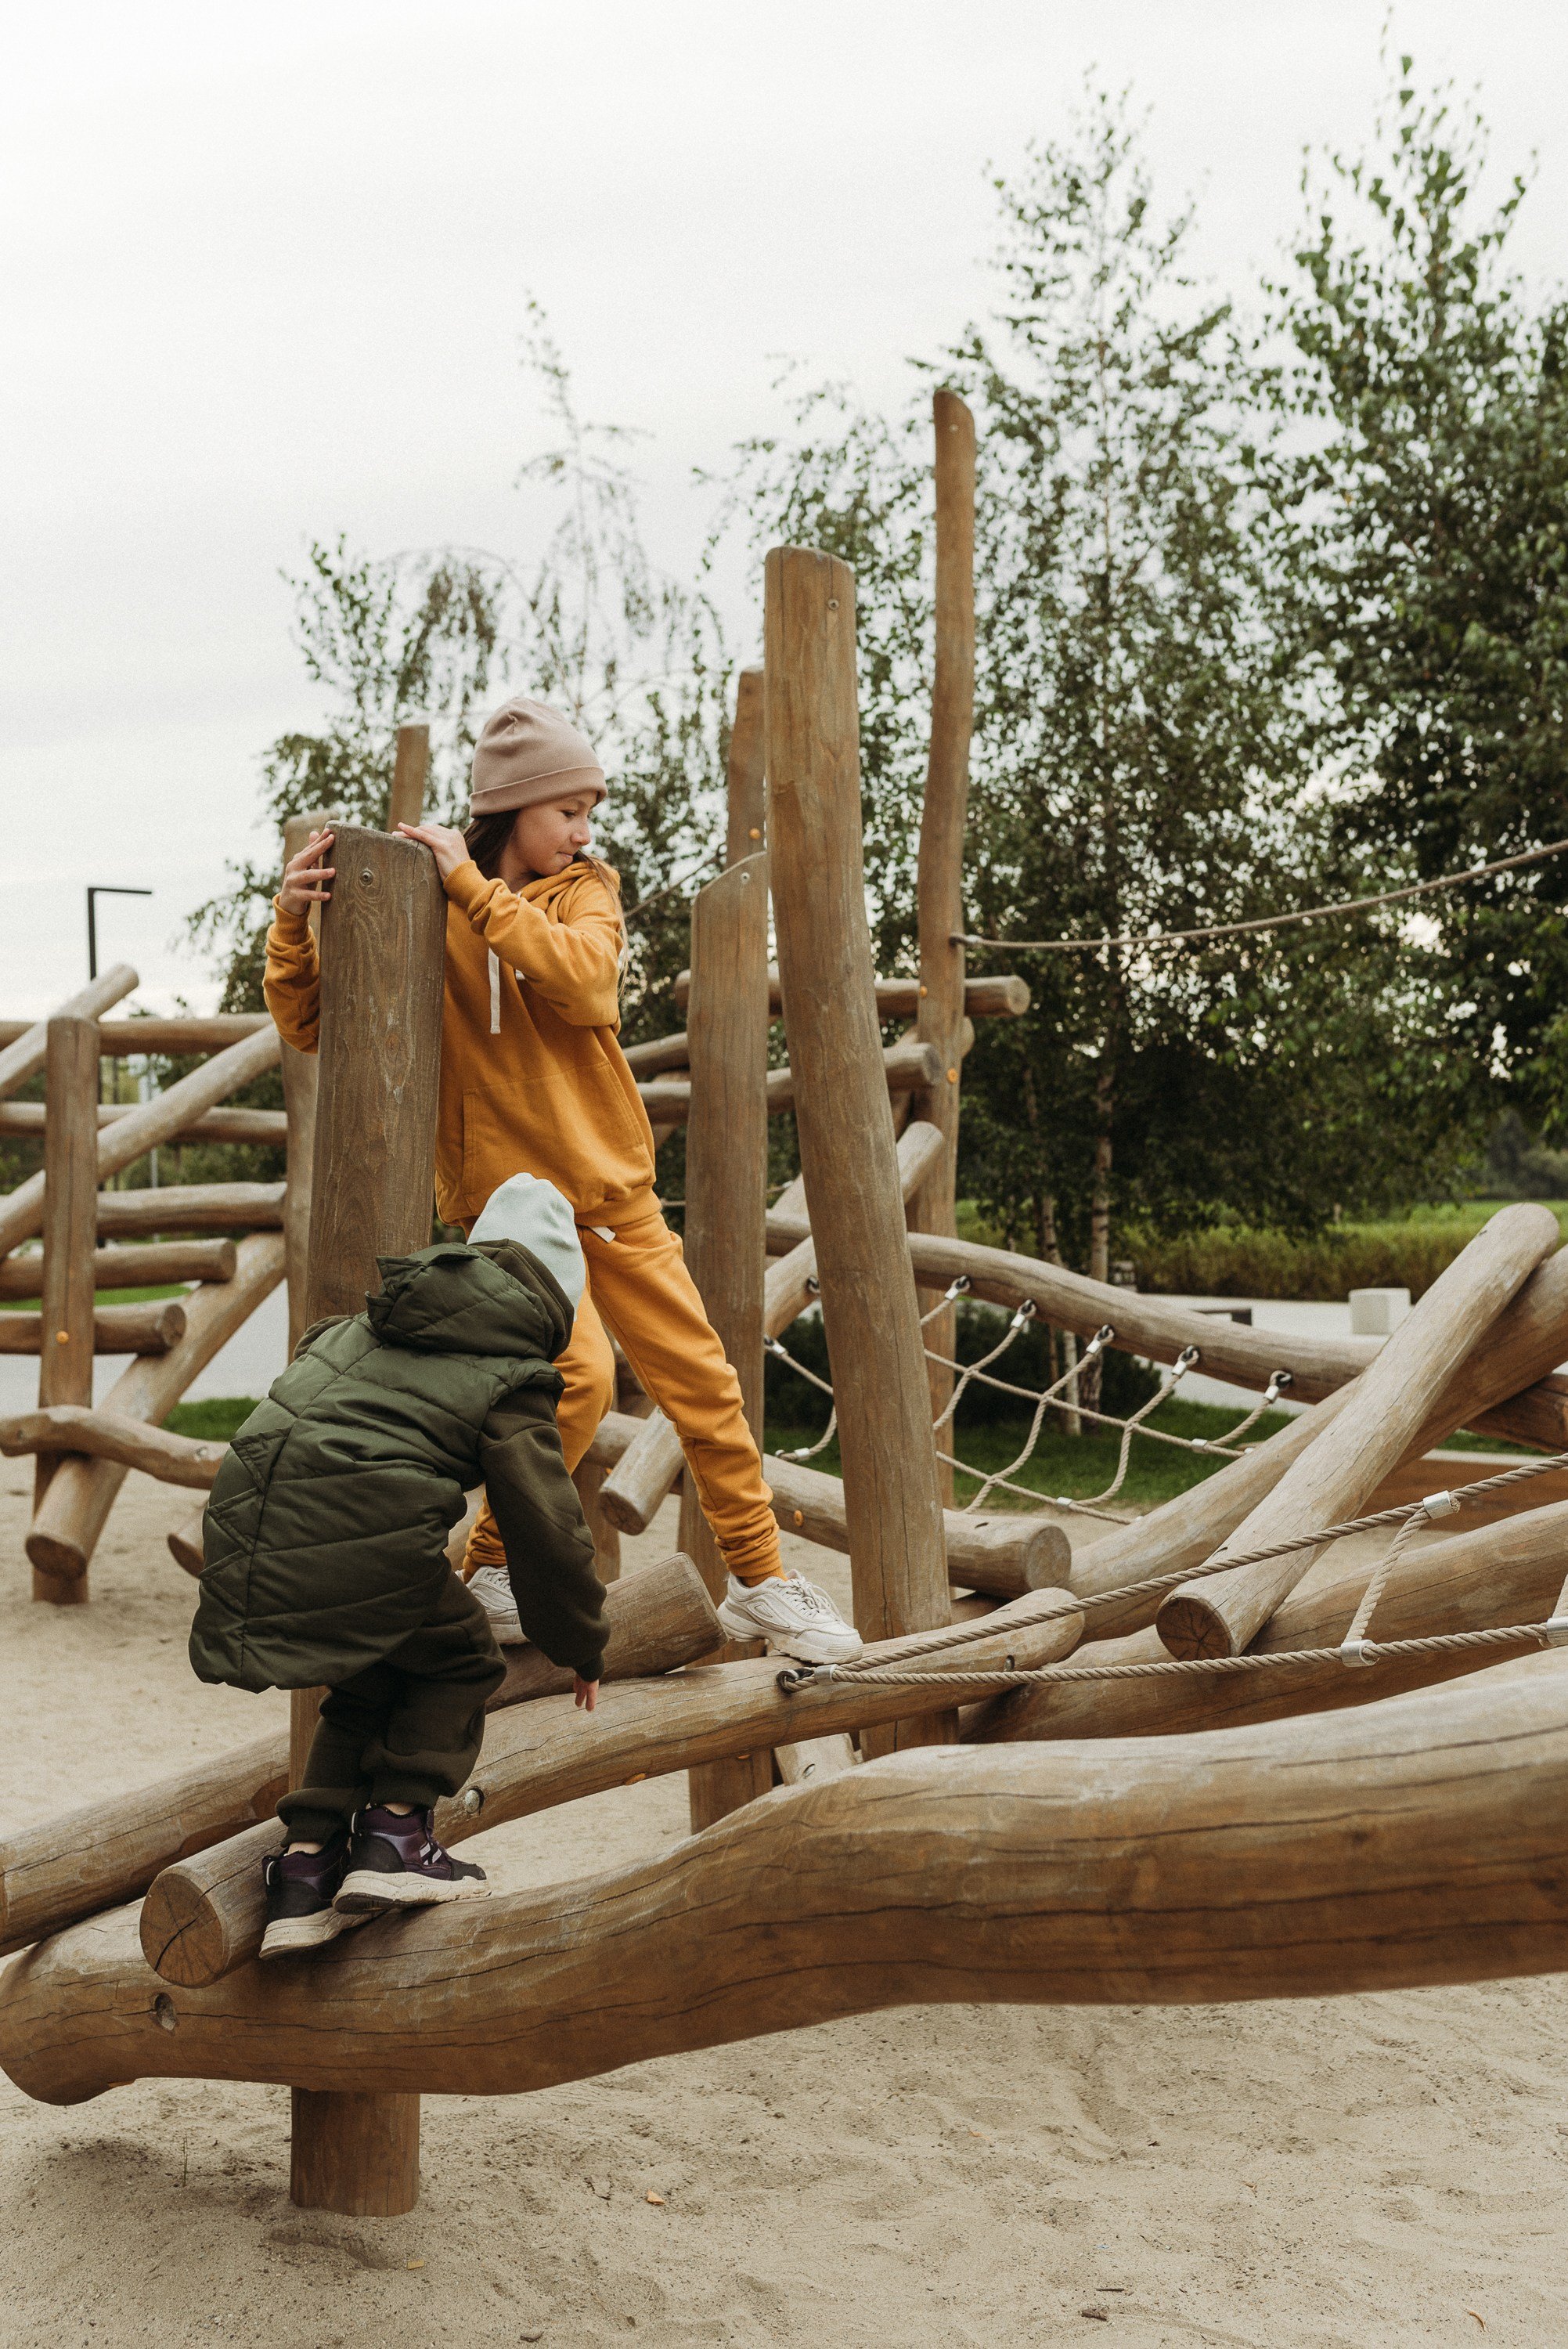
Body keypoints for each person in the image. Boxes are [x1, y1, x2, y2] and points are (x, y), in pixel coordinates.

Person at [265, 694, 861, 1669]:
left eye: (590, 811)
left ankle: (761, 1583)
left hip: (610, 1192)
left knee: (704, 1385)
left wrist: (474, 891)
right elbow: (313, 1026)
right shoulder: (428, 905)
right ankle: (492, 1570)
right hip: (503, 1213)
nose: (583, 831)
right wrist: (293, 923)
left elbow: (585, 985)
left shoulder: (585, 890)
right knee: (574, 1378)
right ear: (509, 810)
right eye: (566, 812)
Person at [189, 1173, 607, 1960]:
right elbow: (545, 1528)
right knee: (457, 1658)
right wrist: (579, 1643)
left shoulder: (364, 1326)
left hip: (248, 1522)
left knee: (372, 1675)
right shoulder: (511, 1369)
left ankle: (306, 1872)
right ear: (557, 1298)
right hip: (354, 1524)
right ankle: (395, 1839)